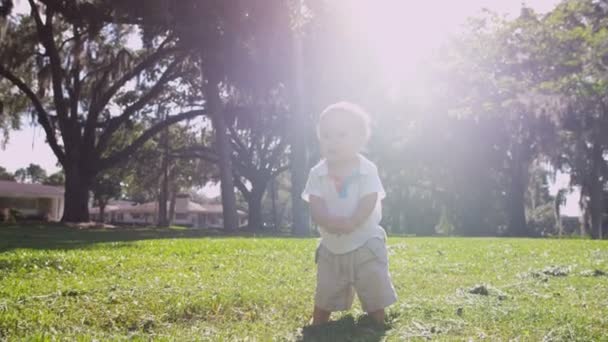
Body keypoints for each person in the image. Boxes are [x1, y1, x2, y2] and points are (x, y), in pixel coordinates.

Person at [301, 101, 397, 326]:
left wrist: (353, 221)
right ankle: (319, 323)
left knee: (372, 283)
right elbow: (315, 202)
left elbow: (369, 199)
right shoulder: (318, 172)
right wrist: (327, 220)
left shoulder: (367, 169)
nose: (332, 141)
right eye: (326, 136)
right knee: (327, 286)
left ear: (360, 139)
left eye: (341, 135)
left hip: (365, 243)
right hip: (331, 244)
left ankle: (377, 319)